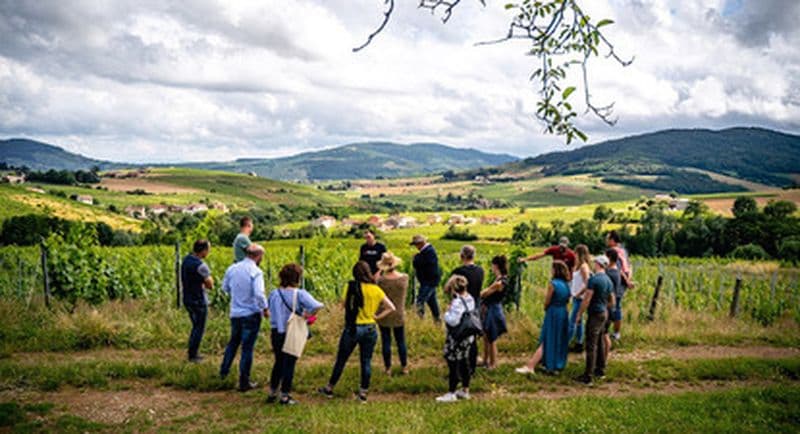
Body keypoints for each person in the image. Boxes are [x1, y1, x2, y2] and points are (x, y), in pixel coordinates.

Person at [319, 261, 396, 403]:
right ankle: (363, 393)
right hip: (370, 328)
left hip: (353, 328)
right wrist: (377, 317)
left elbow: (343, 305)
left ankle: (329, 388)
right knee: (366, 361)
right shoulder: (376, 289)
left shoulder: (351, 287)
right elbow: (391, 307)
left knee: (341, 360)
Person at [266, 263, 323, 405]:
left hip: (276, 331)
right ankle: (285, 395)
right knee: (289, 363)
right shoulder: (299, 294)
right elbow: (317, 305)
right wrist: (307, 315)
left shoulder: (274, 293)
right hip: (292, 332)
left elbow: (267, 310)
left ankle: (273, 391)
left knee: (278, 362)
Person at [220, 244, 269, 392]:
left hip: (235, 313)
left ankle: (223, 372)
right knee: (247, 348)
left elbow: (225, 288)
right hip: (251, 314)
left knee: (233, 343)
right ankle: (244, 381)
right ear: (258, 256)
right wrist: (265, 309)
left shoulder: (232, 268)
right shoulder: (256, 271)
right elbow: (259, 293)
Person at [516, 260, 571, 375]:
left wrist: (546, 308)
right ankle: (556, 364)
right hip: (563, 312)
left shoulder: (553, 284)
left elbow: (547, 301)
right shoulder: (566, 285)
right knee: (559, 338)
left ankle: (531, 366)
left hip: (553, 312)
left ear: (555, 270)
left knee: (547, 338)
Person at [573, 256, 616, 385]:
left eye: (595, 263)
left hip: (595, 314)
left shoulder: (594, 280)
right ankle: (600, 370)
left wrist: (579, 314)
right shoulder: (608, 280)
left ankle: (588, 376)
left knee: (591, 344)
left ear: (598, 264)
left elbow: (587, 299)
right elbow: (612, 300)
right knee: (600, 341)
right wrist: (605, 308)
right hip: (604, 313)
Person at [436, 275, 475, 402]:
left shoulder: (457, 302)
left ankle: (451, 392)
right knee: (464, 361)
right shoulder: (470, 298)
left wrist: (446, 313)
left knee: (453, 363)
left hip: (456, 337)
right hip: (468, 336)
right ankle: (465, 390)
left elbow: (453, 321)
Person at [451, 244, 485, 374]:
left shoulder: (458, 272)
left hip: (461, 306)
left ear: (462, 256)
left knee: (459, 336)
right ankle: (472, 366)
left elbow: (451, 289)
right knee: (472, 336)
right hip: (475, 306)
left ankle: (459, 367)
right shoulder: (480, 271)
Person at [376, 252, 410, 375]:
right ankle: (404, 366)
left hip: (384, 313)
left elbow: (375, 285)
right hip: (399, 313)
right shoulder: (404, 278)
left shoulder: (381, 281)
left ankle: (388, 368)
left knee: (386, 341)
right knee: (401, 340)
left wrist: (380, 272)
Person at [181, 239, 213, 363]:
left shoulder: (186, 260)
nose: (208, 252)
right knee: (199, 328)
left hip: (187, 298)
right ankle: (193, 355)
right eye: (208, 249)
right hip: (199, 300)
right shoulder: (201, 265)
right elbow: (210, 284)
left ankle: (192, 352)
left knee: (195, 326)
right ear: (204, 250)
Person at [479, 255, 509, 370]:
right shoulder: (500, 279)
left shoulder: (499, 282)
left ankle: (493, 363)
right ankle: (486, 360)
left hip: (493, 309)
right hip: (492, 308)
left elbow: (485, 293)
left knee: (492, 338)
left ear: (496, 266)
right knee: (487, 336)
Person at [606, 230, 633, 341]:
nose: (606, 241)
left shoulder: (612, 251)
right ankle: (616, 333)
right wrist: (629, 280)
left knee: (612, 305)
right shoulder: (623, 251)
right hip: (624, 281)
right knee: (617, 305)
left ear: (612, 240)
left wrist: (627, 281)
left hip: (617, 280)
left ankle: (608, 332)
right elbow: (629, 266)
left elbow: (618, 269)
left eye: (607, 238)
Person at [410, 235, 442, 322]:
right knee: (432, 302)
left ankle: (421, 321)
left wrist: (415, 258)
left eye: (416, 245)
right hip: (430, 281)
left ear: (420, 244)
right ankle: (437, 320)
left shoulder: (428, 252)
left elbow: (418, 263)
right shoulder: (428, 251)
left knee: (420, 301)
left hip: (428, 281)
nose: (416, 247)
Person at [568, 244, 592, 352]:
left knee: (572, 321)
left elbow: (588, 283)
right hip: (576, 297)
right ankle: (579, 342)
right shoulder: (578, 265)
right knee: (579, 321)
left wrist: (579, 293)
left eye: (575, 253)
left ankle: (565, 342)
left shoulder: (583, 267)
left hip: (580, 298)